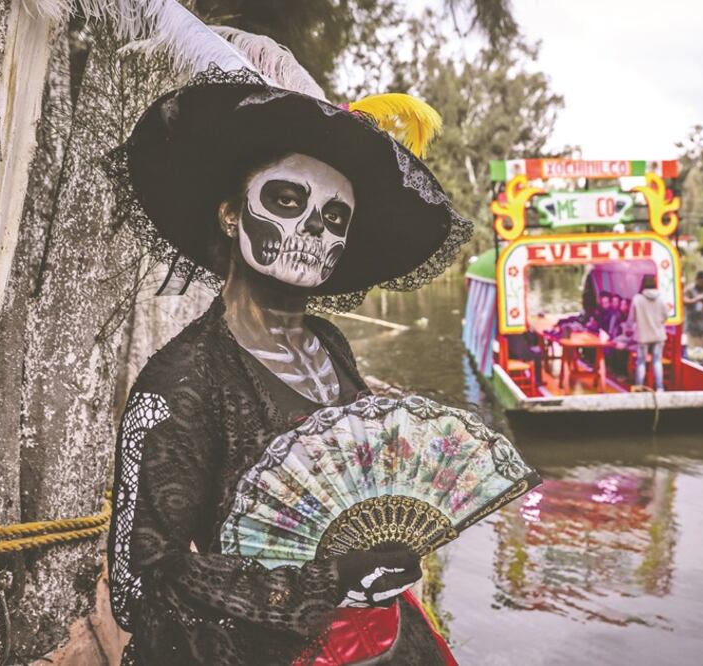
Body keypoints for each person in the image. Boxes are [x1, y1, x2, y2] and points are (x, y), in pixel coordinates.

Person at [106, 65, 467, 664]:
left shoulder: (331, 343)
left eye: (335, 217)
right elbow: (140, 580)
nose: (313, 228)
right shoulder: (183, 380)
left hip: (385, 640)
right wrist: (324, 584)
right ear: (231, 213)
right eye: (287, 201)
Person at [629, 275, 669, 391]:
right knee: (657, 361)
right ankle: (660, 388)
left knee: (641, 362)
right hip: (658, 335)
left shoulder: (637, 299)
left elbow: (632, 317)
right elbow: (666, 316)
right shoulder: (661, 298)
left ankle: (639, 387)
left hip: (643, 336)